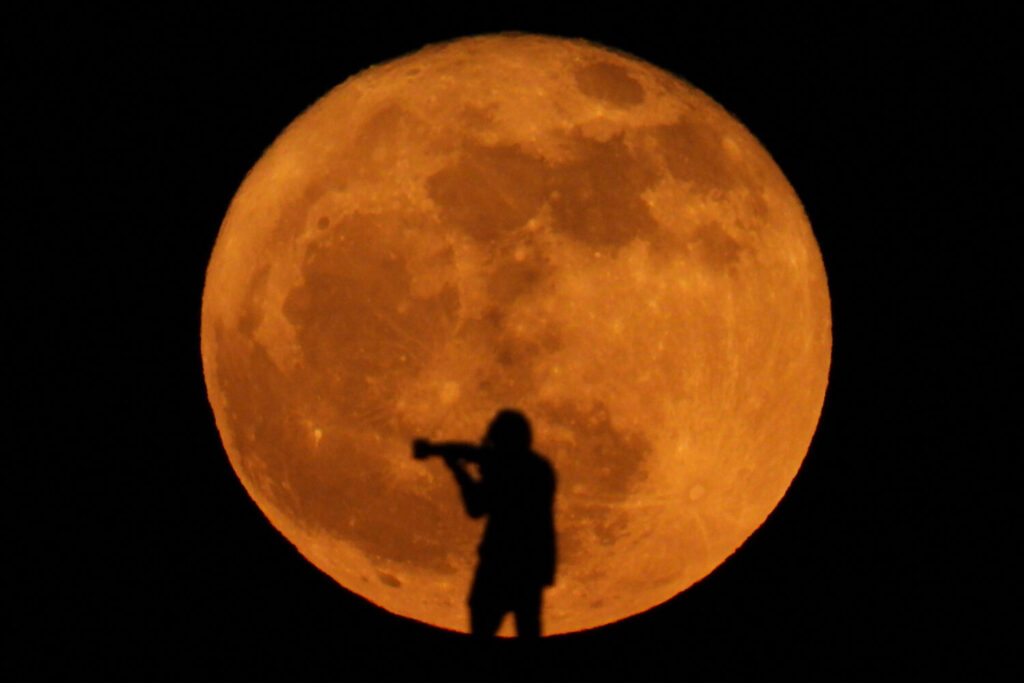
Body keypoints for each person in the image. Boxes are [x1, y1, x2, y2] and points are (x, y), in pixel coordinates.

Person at [413, 410, 556, 638]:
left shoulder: (511, 469)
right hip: (531, 568)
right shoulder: (540, 468)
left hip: (500, 565)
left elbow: (476, 506)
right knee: (528, 629)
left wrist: (459, 471)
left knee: (483, 621)